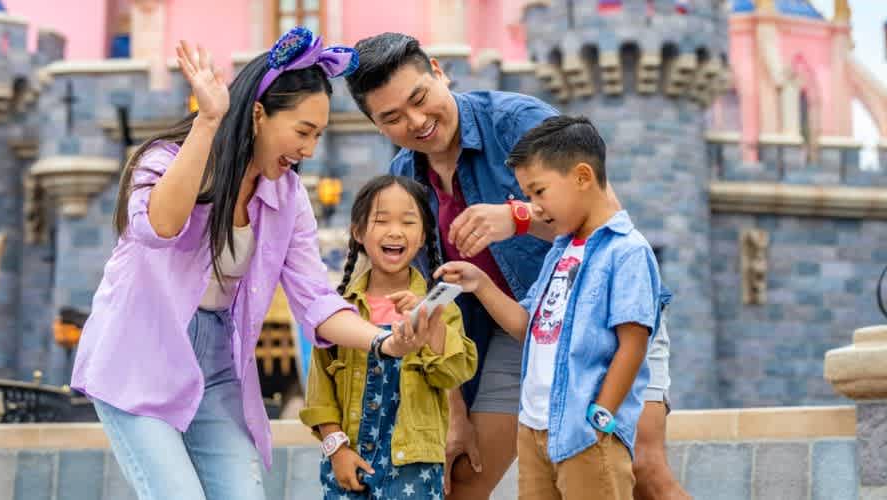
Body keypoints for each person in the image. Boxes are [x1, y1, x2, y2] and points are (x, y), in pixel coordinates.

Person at [70, 28, 438, 500]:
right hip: (139, 354)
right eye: (303, 131)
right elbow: (159, 227)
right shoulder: (164, 160)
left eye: (319, 135)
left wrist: (385, 342)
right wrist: (208, 122)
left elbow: (316, 299)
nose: (309, 149)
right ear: (259, 115)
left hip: (219, 363)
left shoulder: (287, 198)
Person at [345, 32, 686, 499]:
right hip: (513, 332)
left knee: (643, 471)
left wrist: (518, 216)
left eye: (420, 98)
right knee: (462, 479)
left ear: (439, 72)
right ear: (377, 127)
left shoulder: (517, 122)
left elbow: (606, 217)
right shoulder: (406, 180)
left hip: (604, 316)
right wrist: (456, 412)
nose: (418, 121)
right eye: (393, 118)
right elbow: (428, 303)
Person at [437, 116, 664, 500]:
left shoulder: (627, 251)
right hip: (535, 430)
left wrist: (599, 419)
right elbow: (528, 326)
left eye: (538, 191)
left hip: (586, 435)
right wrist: (481, 283)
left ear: (581, 176)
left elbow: (633, 344)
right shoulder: (559, 252)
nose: (534, 208)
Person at [300, 175, 478, 499]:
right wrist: (335, 448)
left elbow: (455, 371)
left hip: (414, 469)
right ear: (358, 232)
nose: (395, 231)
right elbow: (320, 395)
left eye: (408, 222)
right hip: (348, 461)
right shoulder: (339, 311)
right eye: (381, 221)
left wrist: (430, 322)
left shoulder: (440, 307)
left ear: (423, 236)